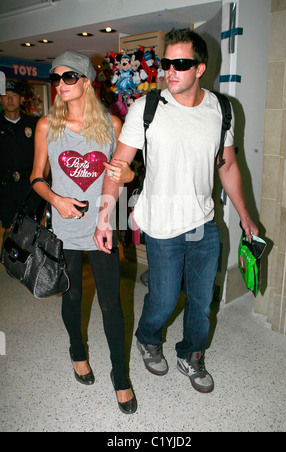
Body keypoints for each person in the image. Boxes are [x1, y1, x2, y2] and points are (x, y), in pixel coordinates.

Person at [94, 28, 259, 395]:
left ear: (200, 68)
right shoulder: (147, 108)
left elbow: (227, 166)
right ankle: (148, 337)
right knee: (164, 299)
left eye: (180, 64)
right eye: (166, 63)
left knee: (202, 302)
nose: (170, 70)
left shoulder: (221, 109)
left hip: (203, 222)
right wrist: (104, 216)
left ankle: (191, 354)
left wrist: (245, 215)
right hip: (162, 224)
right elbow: (117, 165)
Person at [30, 50, 137, 414]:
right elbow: (36, 177)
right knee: (72, 298)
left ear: (87, 82)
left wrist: (130, 175)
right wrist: (56, 199)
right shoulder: (47, 126)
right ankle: (77, 352)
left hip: (101, 228)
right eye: (55, 78)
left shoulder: (113, 126)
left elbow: (123, 175)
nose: (60, 84)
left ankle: (120, 376)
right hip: (62, 230)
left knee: (111, 304)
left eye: (69, 77)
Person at [0, 81, 40, 237]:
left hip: (29, 185)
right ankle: (7, 261)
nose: (10, 100)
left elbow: (43, 154)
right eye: (5, 96)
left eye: (14, 95)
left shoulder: (33, 124)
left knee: (30, 228)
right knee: (9, 229)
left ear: (21, 99)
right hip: (5, 187)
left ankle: (30, 261)